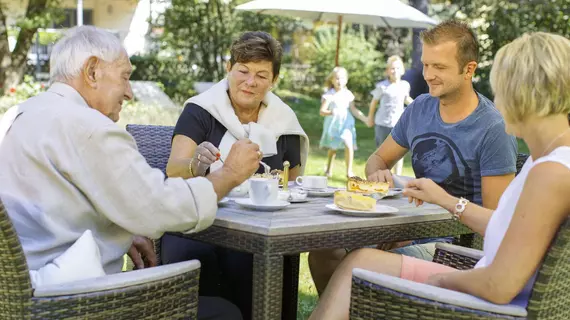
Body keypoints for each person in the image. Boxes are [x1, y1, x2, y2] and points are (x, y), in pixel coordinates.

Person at [0, 26, 259, 320]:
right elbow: (160, 208)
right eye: (125, 76)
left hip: (19, 297)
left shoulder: (18, 114)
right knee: (224, 312)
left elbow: (52, 202)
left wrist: (121, 233)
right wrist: (228, 174)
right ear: (92, 71)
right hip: (70, 302)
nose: (130, 92)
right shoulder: (87, 127)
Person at [310, 31, 570, 320]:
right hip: (487, 288)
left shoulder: (551, 172)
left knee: (358, 265)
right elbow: (509, 227)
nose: (497, 99)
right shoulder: (552, 160)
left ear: (524, 93)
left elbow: (499, 286)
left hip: (486, 305)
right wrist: (447, 200)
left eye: (501, 89)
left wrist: (440, 281)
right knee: (353, 258)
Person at [163, 31, 309, 320]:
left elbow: (292, 184)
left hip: (259, 230)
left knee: (260, 259)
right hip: (199, 224)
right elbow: (173, 169)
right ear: (228, 69)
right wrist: (195, 164)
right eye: (243, 71)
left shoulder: (284, 120)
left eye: (261, 75)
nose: (250, 82)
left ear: (274, 80)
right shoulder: (201, 110)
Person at [367, 55, 414, 175]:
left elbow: (406, 99)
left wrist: (417, 106)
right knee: (382, 153)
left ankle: (397, 176)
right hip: (382, 123)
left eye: (398, 68)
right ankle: (384, 176)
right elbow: (373, 103)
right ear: (387, 71)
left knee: (399, 151)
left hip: (398, 124)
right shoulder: (382, 86)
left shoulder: (405, 85)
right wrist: (370, 118)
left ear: (402, 70)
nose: (395, 71)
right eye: (392, 68)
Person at [319, 67, 368, 178]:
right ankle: (329, 168)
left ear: (346, 80)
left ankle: (349, 171)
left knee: (348, 144)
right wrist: (331, 112)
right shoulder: (329, 95)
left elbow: (353, 110)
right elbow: (322, 111)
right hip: (334, 126)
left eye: (342, 78)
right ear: (332, 80)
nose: (339, 81)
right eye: (336, 78)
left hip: (346, 124)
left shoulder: (348, 94)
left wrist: (364, 119)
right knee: (333, 148)